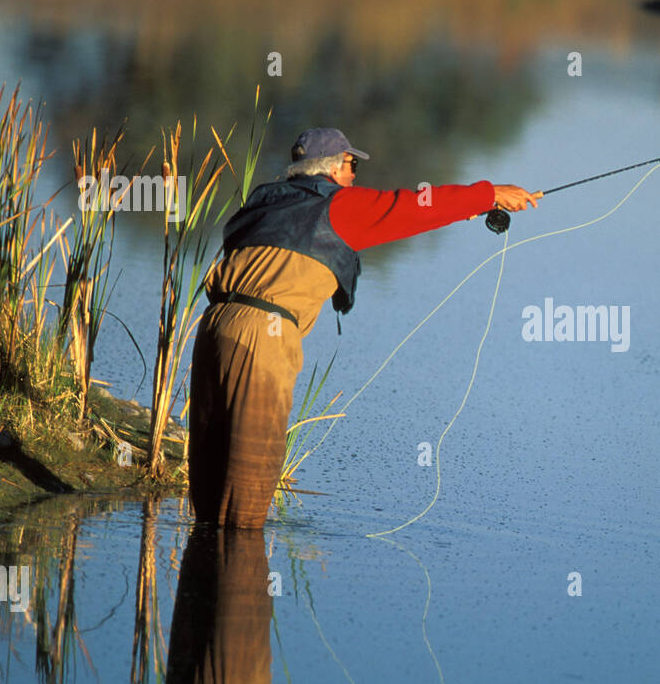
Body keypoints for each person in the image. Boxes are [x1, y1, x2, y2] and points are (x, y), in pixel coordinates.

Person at [188, 127, 541, 531]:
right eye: (351, 164)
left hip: (214, 328)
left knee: (210, 495)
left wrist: (473, 207)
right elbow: (415, 206)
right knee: (246, 501)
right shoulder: (339, 206)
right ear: (333, 168)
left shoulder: (264, 203)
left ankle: (203, 583)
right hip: (261, 338)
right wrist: (489, 193)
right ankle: (242, 583)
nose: (355, 175)